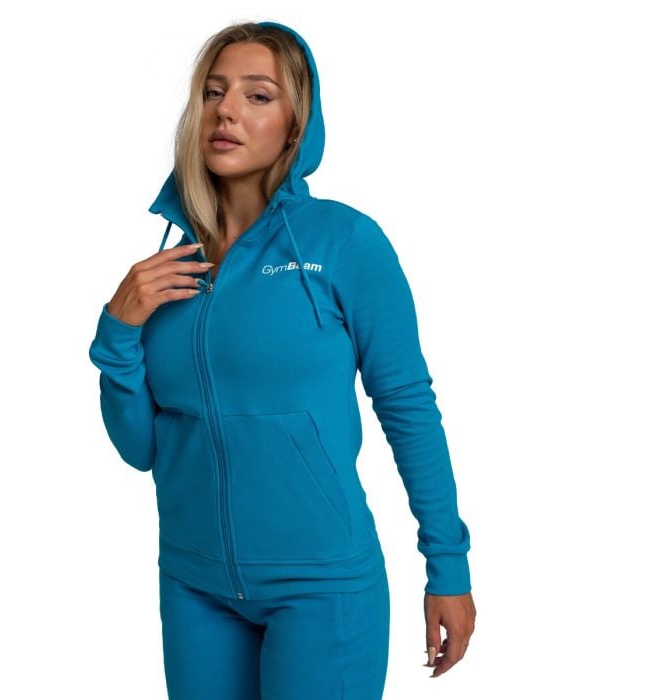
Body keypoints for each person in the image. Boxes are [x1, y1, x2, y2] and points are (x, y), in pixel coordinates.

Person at [88, 19, 476, 699]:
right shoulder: (170, 272)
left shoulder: (345, 242)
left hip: (322, 587)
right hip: (194, 583)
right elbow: (141, 449)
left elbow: (408, 406)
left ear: (297, 125)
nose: (226, 111)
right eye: (213, 92)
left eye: (258, 95)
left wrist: (448, 566)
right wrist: (117, 332)